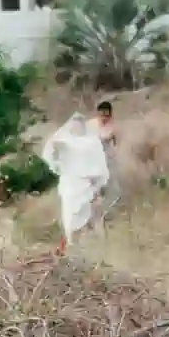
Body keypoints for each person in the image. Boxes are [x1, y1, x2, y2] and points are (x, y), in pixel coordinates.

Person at [38, 94, 121, 247]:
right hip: (71, 183)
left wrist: (96, 179)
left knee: (91, 212)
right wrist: (54, 146)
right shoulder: (67, 141)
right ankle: (71, 241)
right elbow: (53, 152)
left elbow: (101, 156)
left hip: (87, 181)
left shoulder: (92, 141)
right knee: (70, 214)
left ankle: (93, 241)